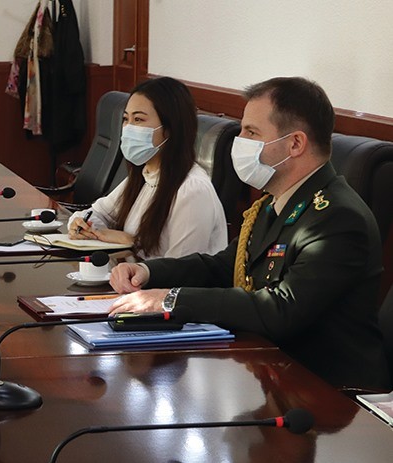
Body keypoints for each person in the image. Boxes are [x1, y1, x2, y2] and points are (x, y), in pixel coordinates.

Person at [108, 77, 388, 390]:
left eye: (251, 133)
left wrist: (171, 299)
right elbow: (224, 266)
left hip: (330, 392)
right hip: (274, 370)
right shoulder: (273, 203)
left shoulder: (337, 217)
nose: (239, 141)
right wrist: (149, 272)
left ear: (296, 144)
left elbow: (281, 309)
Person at [67, 76, 227, 258]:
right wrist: (84, 225)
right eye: (125, 119)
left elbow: (181, 268)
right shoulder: (146, 174)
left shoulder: (192, 190)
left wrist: (132, 242)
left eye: (138, 119)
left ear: (169, 129)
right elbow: (97, 212)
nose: (128, 128)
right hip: (127, 271)